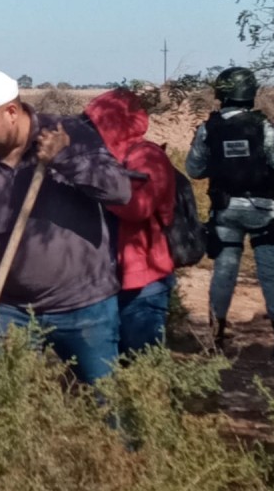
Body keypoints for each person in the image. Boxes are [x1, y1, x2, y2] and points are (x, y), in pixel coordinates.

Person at [0, 69, 132, 385]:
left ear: (12, 112)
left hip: (86, 305)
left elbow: (120, 192)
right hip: (9, 309)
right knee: (2, 407)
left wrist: (67, 159)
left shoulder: (69, 134)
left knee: (106, 404)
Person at [185, 66, 274, 357]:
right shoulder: (261, 126)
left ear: (221, 94)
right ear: (250, 94)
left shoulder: (209, 129)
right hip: (263, 210)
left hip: (225, 210)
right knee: (271, 273)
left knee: (224, 271)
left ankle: (216, 339)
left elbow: (194, 169)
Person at [83, 88, 177, 355]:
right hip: (105, 281)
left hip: (145, 280)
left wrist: (95, 186)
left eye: (99, 122)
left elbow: (138, 208)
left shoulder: (147, 156)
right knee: (109, 368)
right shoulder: (102, 159)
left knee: (142, 363)